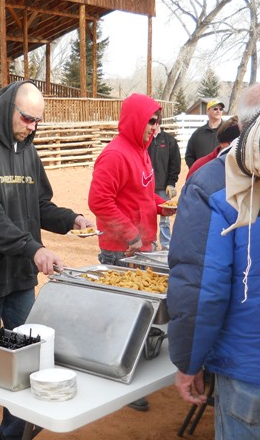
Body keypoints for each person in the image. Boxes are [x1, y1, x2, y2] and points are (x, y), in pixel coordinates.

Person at [0, 80, 93, 440]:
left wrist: (70, 219)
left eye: (37, 121)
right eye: (28, 118)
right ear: (7, 110)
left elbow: (41, 204)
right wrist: (35, 249)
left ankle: (13, 434)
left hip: (20, 279)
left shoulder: (29, 152)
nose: (33, 127)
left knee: (31, 358)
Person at [167, 81, 260, 439]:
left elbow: (202, 288)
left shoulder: (212, 181)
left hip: (249, 372)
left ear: (242, 123)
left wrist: (189, 362)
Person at [88, 93, 175, 412]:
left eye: (157, 121)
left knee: (139, 317)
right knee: (120, 321)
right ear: (136, 119)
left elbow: (139, 194)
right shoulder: (115, 154)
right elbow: (99, 201)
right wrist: (131, 233)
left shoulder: (142, 152)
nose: (155, 127)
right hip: (119, 253)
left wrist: (159, 207)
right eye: (150, 121)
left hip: (142, 249)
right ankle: (117, 380)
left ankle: (131, 373)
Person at [148, 119, 181, 250]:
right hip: (147, 185)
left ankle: (166, 244)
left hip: (163, 186)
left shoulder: (169, 141)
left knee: (164, 218)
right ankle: (151, 242)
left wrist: (171, 183)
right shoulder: (145, 140)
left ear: (158, 124)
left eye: (155, 123)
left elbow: (175, 163)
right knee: (148, 215)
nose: (153, 126)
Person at [186, 115, 240, 179]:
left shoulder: (249, 167)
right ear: (222, 143)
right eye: (233, 143)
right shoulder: (200, 166)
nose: (237, 148)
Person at [184, 98, 225, 168]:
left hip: (224, 174)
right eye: (215, 109)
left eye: (220, 109)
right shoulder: (198, 134)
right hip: (203, 175)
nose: (218, 111)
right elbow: (189, 156)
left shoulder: (228, 131)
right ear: (208, 111)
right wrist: (196, 170)